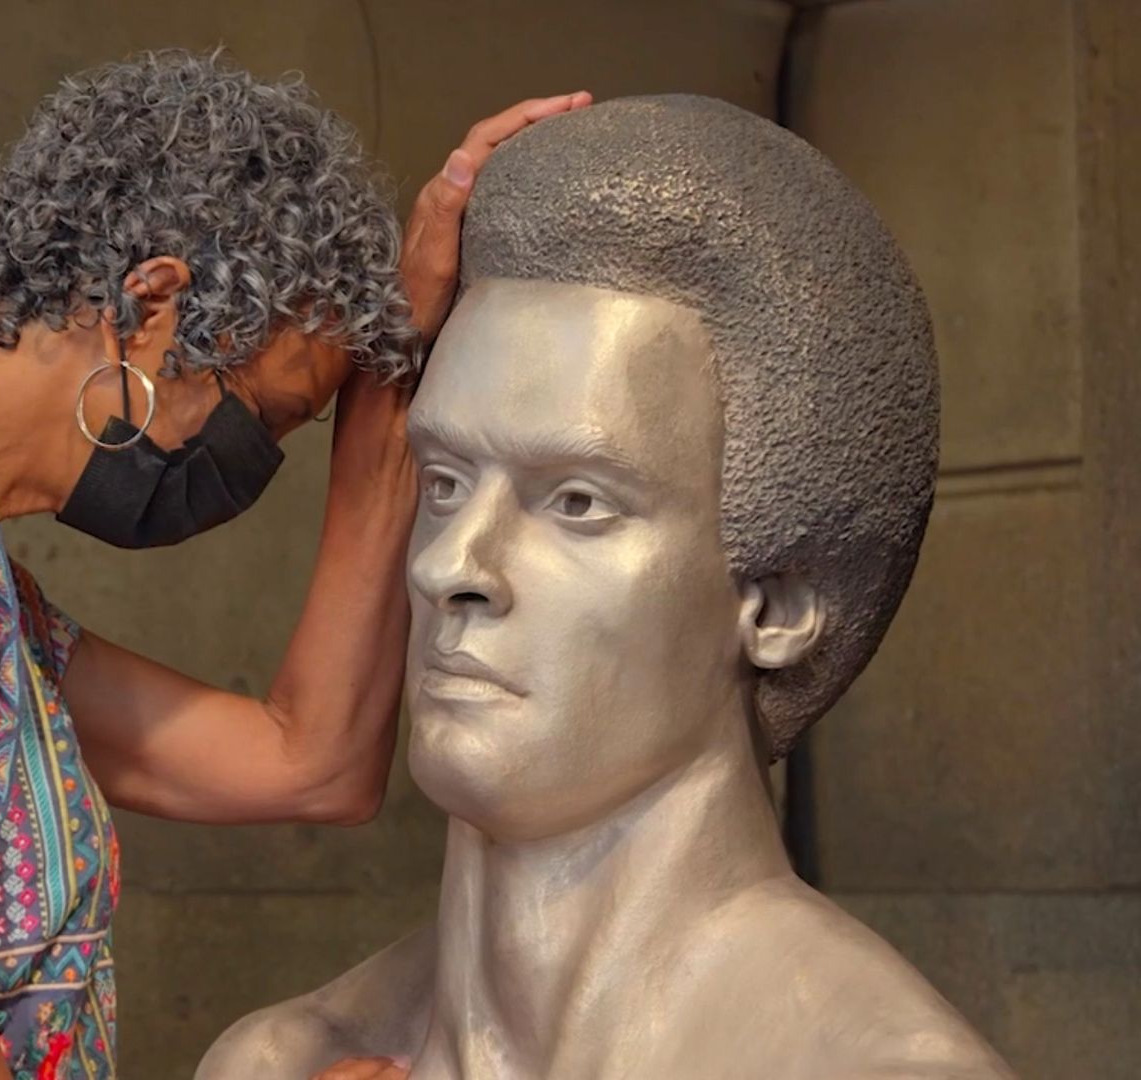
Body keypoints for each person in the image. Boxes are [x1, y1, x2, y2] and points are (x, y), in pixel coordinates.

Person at [0, 48, 589, 1080]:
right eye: (265, 418)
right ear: (153, 305)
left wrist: (391, 375)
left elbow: (311, 762)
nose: (249, 470)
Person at [198, 95, 1013, 1080]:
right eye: (447, 483)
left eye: (577, 502)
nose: (449, 565)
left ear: (778, 605)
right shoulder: (280, 1061)